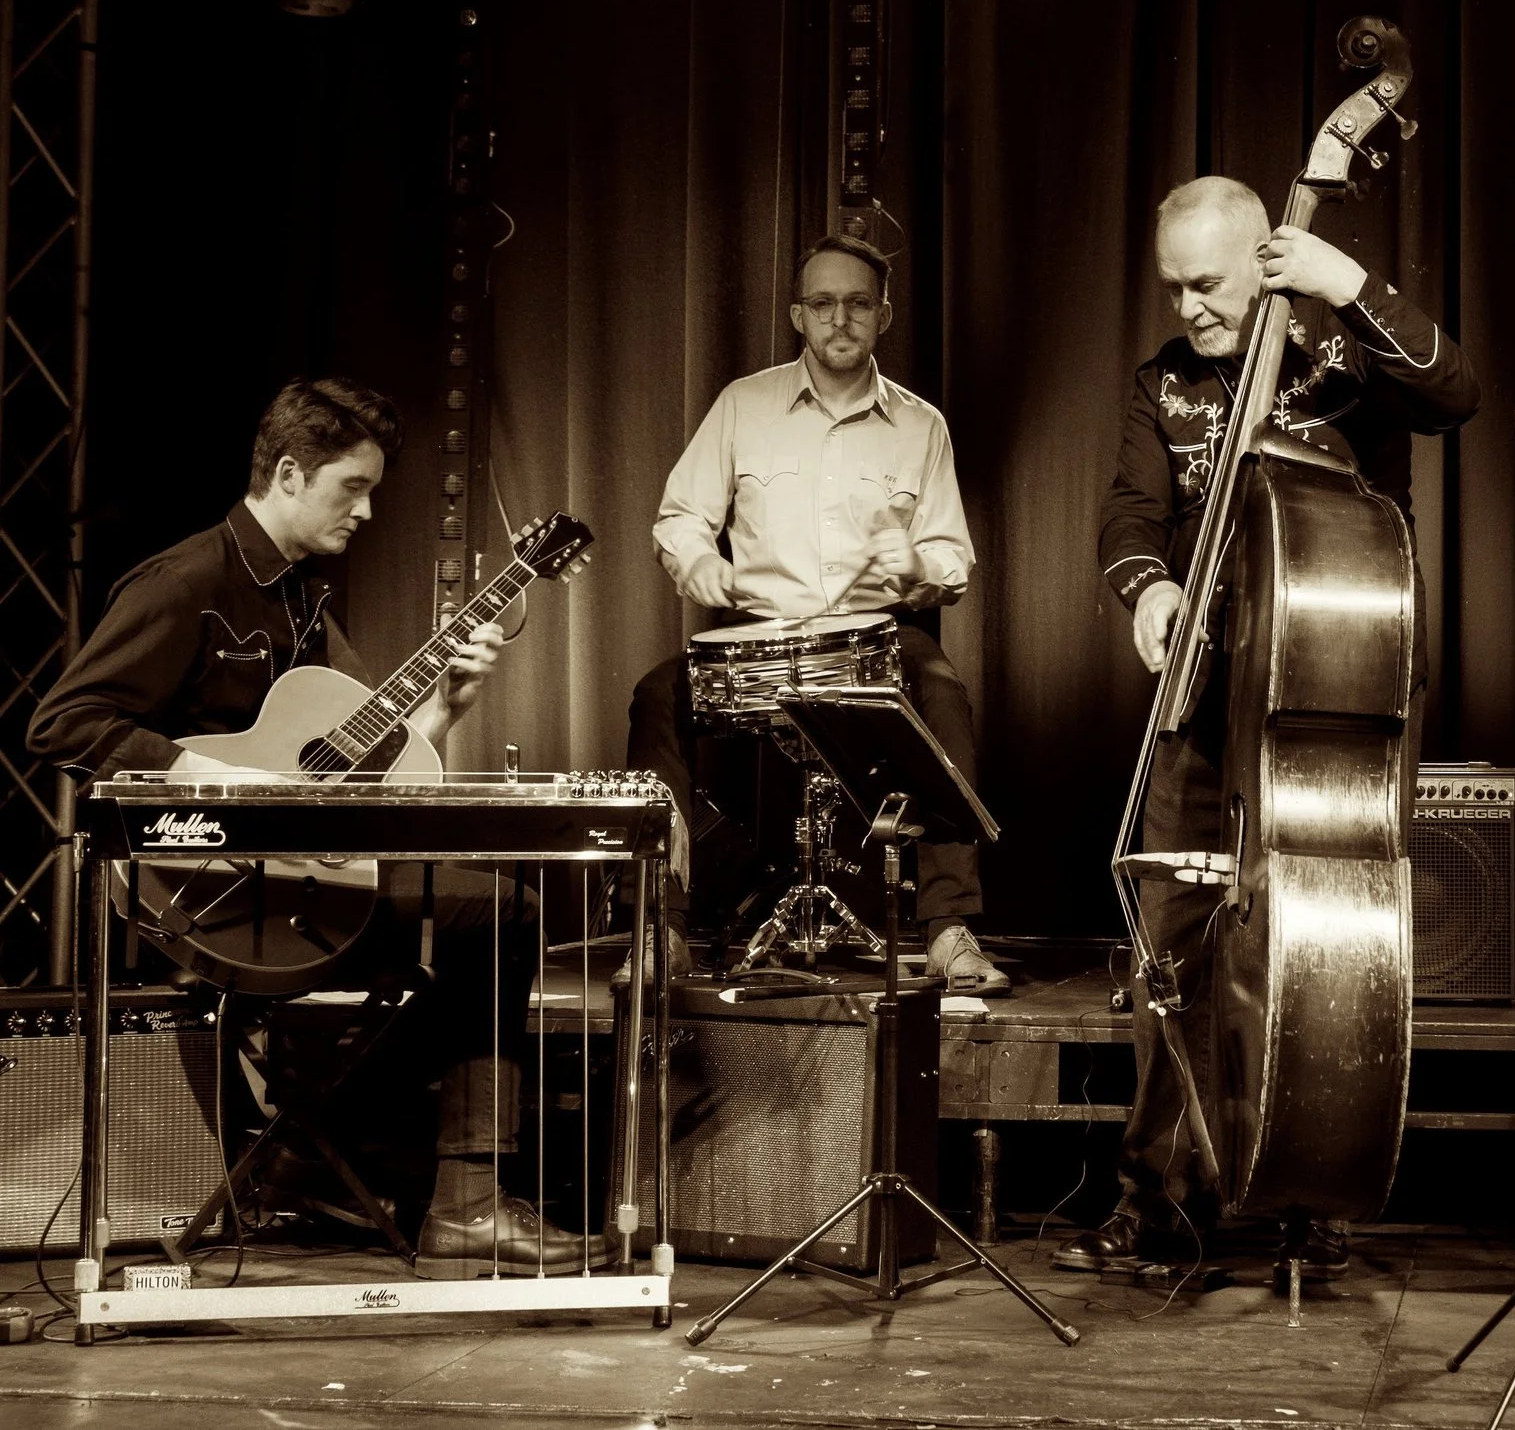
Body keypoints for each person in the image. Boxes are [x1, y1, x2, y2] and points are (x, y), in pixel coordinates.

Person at [28, 377, 608, 1278]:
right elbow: (62, 722)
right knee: (502, 919)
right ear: (291, 473)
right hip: (203, 886)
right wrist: (228, 784)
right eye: (354, 487)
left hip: (291, 875)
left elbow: (360, 759)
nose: (369, 511)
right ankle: (453, 1197)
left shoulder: (301, 599)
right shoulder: (186, 582)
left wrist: (451, 702)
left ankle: (319, 1144)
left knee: (500, 910)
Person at [1055, 176, 1480, 1276]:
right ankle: (1159, 1199)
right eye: (1173, 286)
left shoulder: (1345, 357)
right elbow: (1129, 508)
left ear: (1265, 258)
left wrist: (1347, 281)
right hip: (1207, 685)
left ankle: (1310, 1189)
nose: (1190, 305)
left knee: (1327, 950)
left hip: (1338, 686)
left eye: (1208, 282)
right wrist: (1148, 587)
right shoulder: (1165, 383)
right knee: (1174, 947)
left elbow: (1455, 392)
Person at [632, 233, 1002, 993]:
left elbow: (952, 558)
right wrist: (702, 562)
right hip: (761, 631)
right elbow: (679, 518)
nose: (841, 319)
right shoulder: (744, 403)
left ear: (884, 315)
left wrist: (920, 571)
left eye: (859, 303)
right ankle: (658, 927)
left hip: (875, 637)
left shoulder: (921, 425)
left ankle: (949, 928)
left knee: (946, 693)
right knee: (655, 695)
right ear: (799, 314)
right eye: (824, 303)